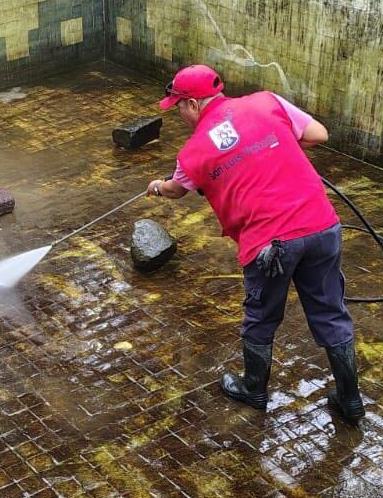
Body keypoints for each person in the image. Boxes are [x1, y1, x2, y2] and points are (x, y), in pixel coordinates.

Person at [146, 64, 363, 424]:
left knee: (261, 317)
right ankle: (351, 399)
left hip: (270, 245)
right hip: (322, 227)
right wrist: (269, 146)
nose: (179, 114)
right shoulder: (266, 101)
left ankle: (254, 389)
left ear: (194, 104)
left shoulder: (193, 153)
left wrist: (155, 186)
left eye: (179, 107)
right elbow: (319, 135)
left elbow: (174, 190)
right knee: (330, 312)